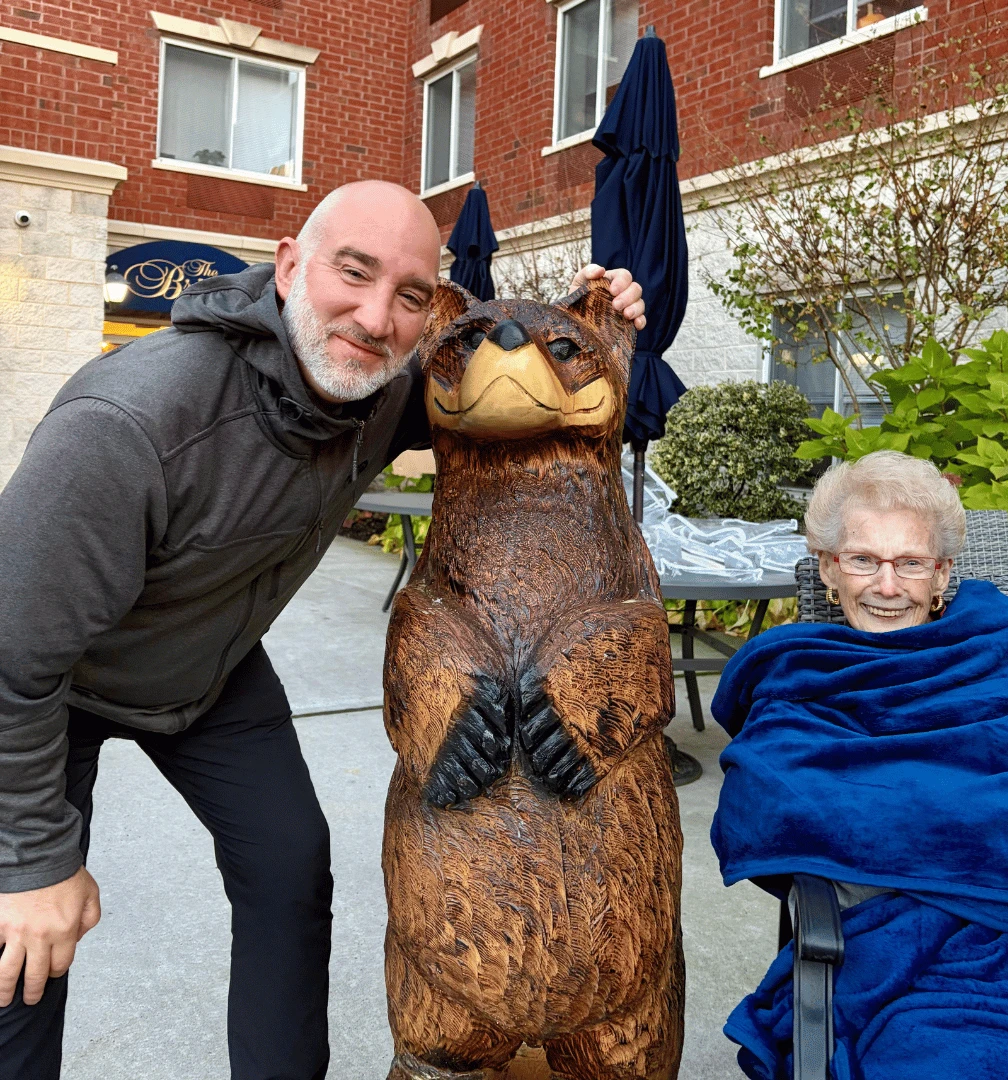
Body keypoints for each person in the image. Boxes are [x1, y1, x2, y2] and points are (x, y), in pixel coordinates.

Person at [0, 179, 646, 1080]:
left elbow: (505, 386)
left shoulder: (374, 383)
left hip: (208, 671)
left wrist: (609, 324)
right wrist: (30, 862)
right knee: (23, 943)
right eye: (354, 272)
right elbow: (9, 658)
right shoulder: (131, 423)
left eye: (411, 296)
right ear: (291, 265)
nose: (377, 317)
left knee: (290, 871)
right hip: (50, 686)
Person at [710, 451, 1008, 1080]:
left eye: (910, 563)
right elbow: (770, 799)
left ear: (941, 575)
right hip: (886, 940)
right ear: (829, 568)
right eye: (863, 560)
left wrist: (910, 813)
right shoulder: (798, 674)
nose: (887, 586)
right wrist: (970, 817)